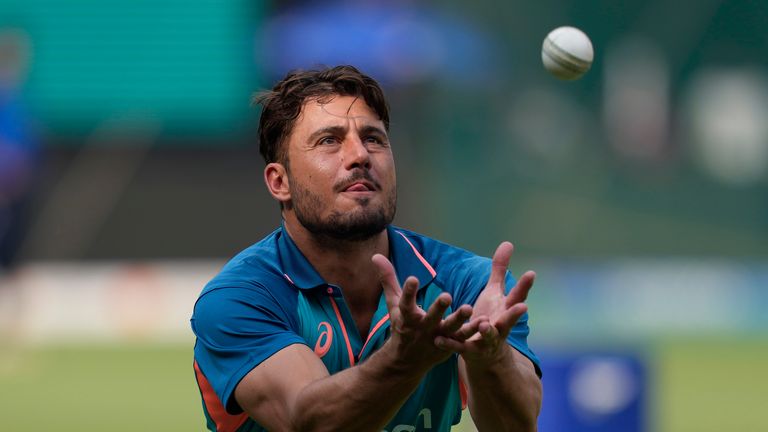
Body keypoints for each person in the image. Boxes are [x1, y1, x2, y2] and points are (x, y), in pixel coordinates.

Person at [191, 65, 542, 432]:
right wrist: (403, 360)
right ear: (280, 182)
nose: (360, 155)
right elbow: (309, 424)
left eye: (373, 138)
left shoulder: (469, 284)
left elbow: (515, 427)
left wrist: (491, 360)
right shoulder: (239, 298)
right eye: (329, 141)